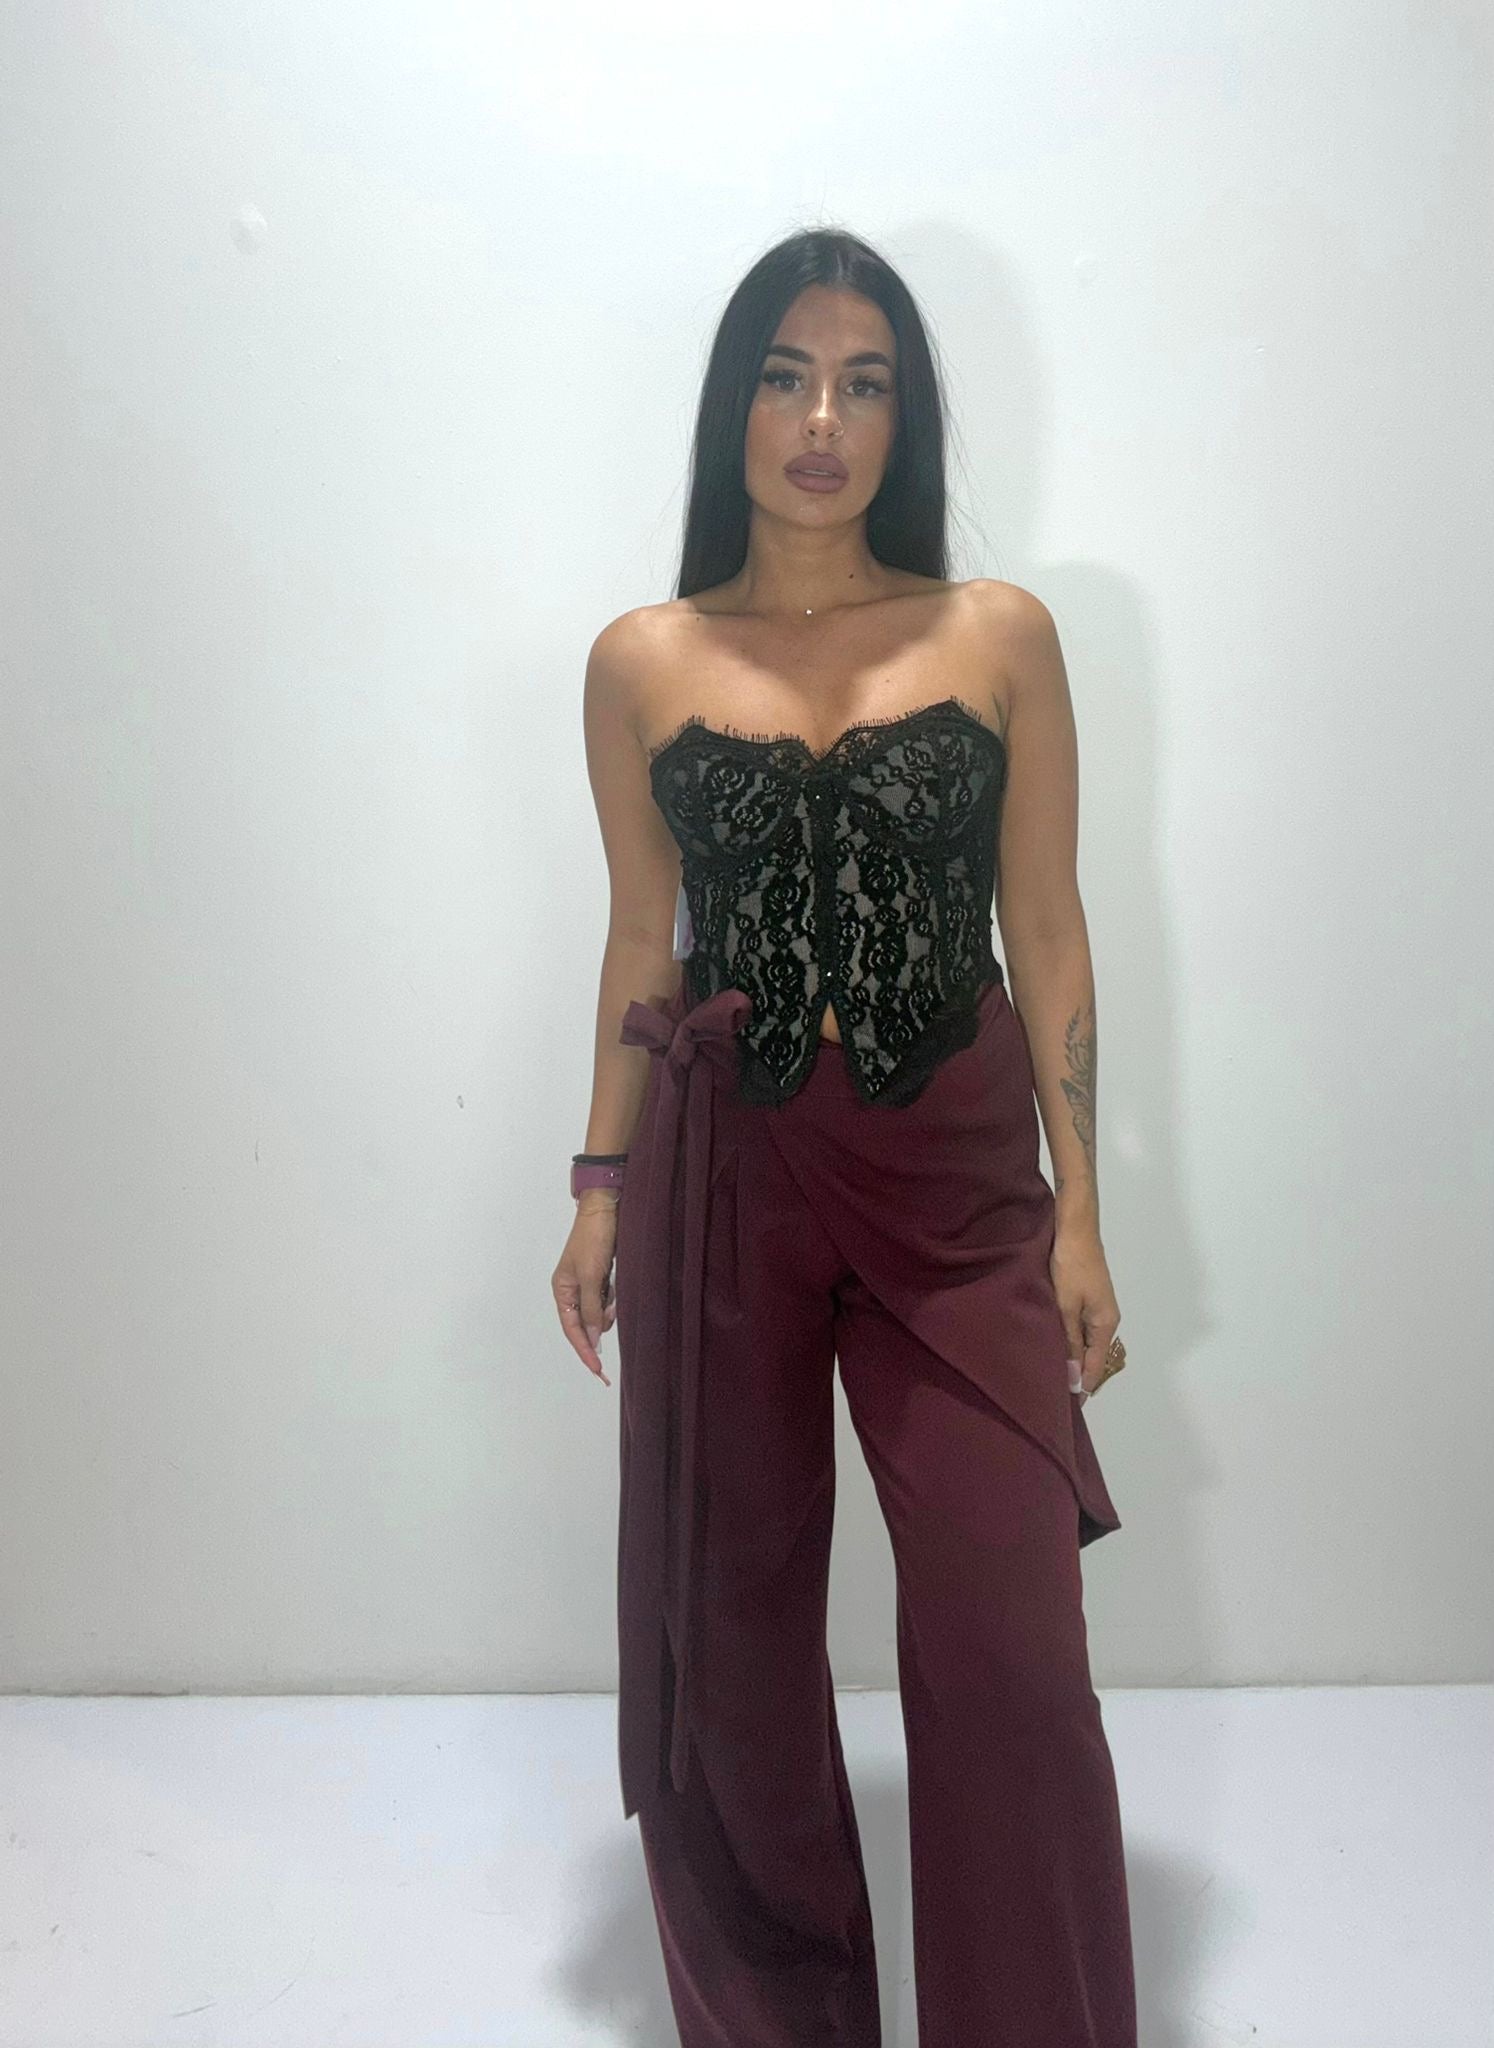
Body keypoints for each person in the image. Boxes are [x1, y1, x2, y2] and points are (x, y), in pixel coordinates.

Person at [551, 225, 1137, 2048]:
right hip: (722, 1175)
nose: (821, 421)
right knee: (728, 1643)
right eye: (787, 377)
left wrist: (1081, 1215)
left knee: (1010, 1654)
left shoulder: (997, 635)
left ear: (906, 418)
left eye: (863, 383)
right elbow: (641, 939)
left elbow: (1046, 930)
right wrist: (596, 1190)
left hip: (954, 1183)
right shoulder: (641, 659)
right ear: (733, 405)